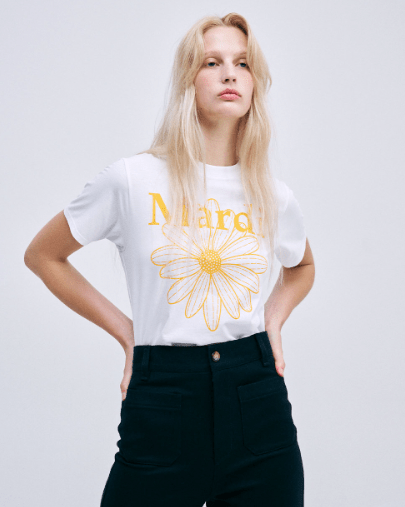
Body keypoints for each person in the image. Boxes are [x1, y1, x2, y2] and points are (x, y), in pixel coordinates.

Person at [24, 12, 315, 507]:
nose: (230, 74)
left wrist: (274, 320)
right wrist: (128, 334)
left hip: (257, 402)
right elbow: (43, 255)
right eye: (212, 62)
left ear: (254, 84)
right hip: (163, 399)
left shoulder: (271, 193)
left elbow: (302, 267)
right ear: (187, 80)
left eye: (243, 63)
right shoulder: (132, 180)